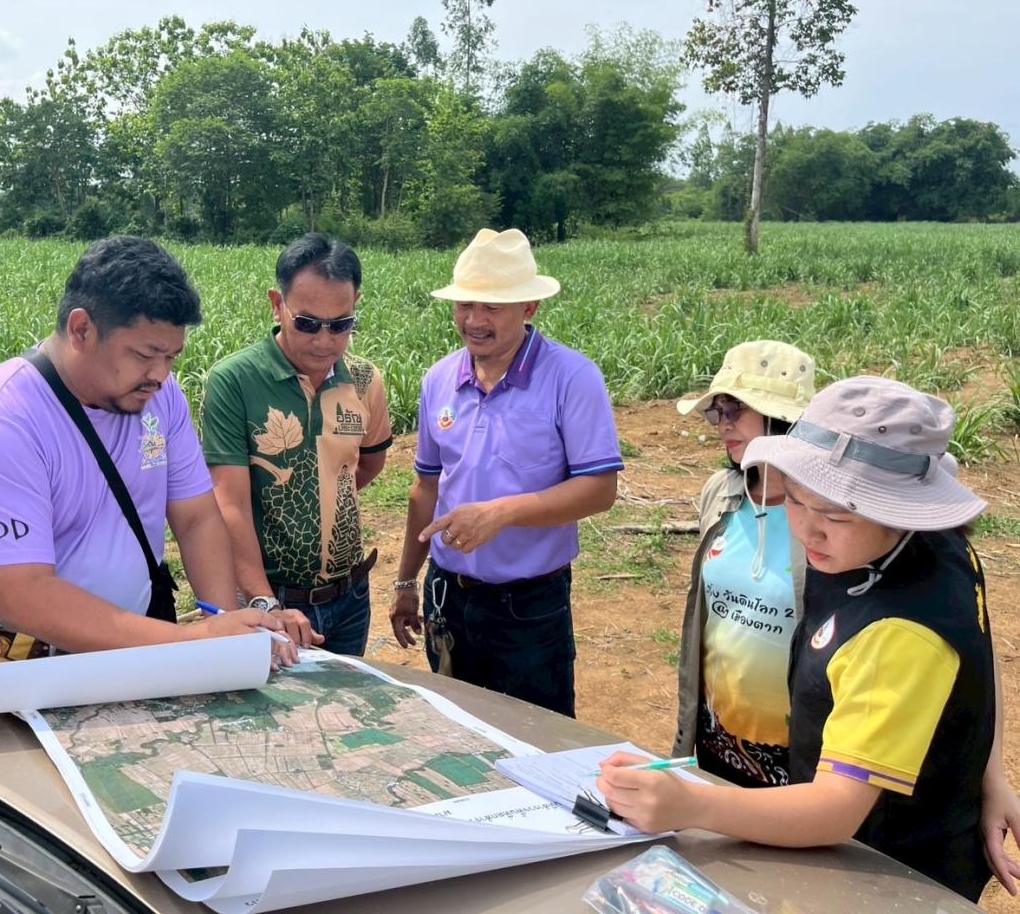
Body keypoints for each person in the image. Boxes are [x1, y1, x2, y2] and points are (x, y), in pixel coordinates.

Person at [599, 377, 1005, 900]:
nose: (808, 531)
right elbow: (980, 647)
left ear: (899, 510)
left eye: (836, 515)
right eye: (794, 500)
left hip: (886, 873)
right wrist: (992, 778)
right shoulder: (920, 546)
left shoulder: (897, 633)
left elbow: (836, 810)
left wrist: (692, 806)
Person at [0, 236, 318, 670]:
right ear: (82, 329)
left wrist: (224, 623)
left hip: (126, 650)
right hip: (2, 667)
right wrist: (195, 643)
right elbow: (24, 596)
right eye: (146, 354)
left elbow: (197, 517)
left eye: (172, 356)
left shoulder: (160, 399)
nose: (161, 374)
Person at [388, 228, 622, 718]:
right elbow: (426, 486)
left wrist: (502, 514)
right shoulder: (439, 379)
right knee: (460, 732)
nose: (474, 320)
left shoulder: (572, 378)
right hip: (447, 593)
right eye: (465, 304)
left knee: (539, 737)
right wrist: (407, 582)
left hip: (530, 605)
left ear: (529, 307)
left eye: (492, 307)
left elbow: (599, 489)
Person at [201, 234, 392, 654]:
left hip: (349, 599)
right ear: (277, 304)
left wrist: (321, 496)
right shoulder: (235, 382)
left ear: (355, 305)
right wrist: (264, 601)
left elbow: (368, 465)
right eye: (307, 323)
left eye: (340, 325)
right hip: (269, 602)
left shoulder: (364, 381)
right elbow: (228, 502)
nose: (324, 341)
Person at [672, 340, 815, 788]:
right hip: (718, 739)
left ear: (781, 419)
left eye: (734, 411)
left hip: (801, 754)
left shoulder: (826, 514)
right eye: (716, 413)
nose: (722, 425)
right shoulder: (720, 492)